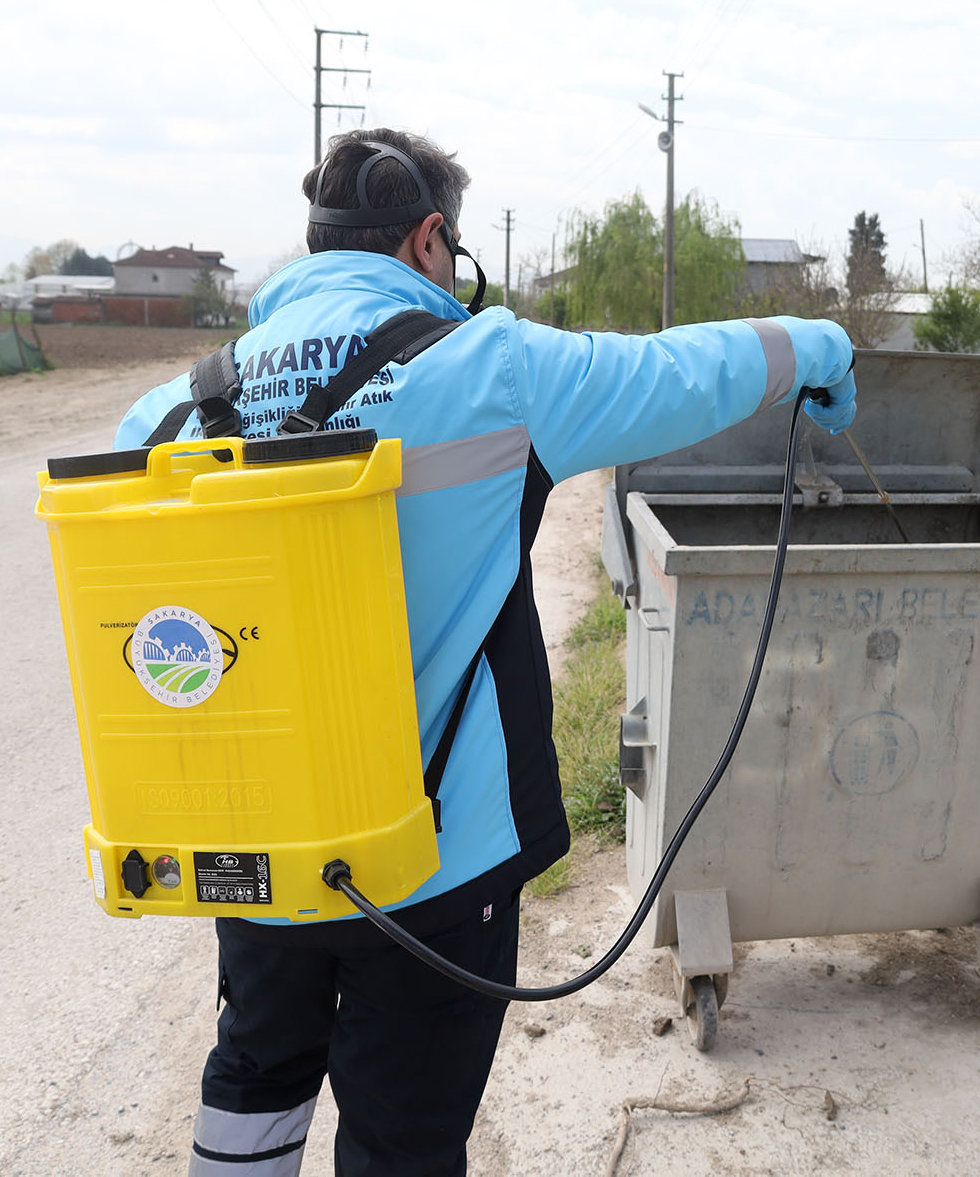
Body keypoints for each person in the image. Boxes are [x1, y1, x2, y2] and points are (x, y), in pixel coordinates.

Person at [113, 127, 857, 1177]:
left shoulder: (169, 412)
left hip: (259, 850)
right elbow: (686, 370)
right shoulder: (490, 368)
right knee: (403, 1136)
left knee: (252, 1078)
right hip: (434, 862)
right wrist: (818, 348)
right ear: (428, 240)